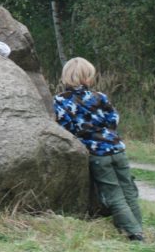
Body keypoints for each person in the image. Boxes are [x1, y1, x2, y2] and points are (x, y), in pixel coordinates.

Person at [54, 57, 144, 241]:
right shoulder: (100, 96)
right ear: (88, 77)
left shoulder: (61, 101)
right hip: (117, 149)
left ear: (65, 77)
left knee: (113, 194)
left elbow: (66, 127)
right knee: (129, 190)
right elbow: (114, 120)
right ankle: (139, 225)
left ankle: (134, 233)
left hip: (96, 154)